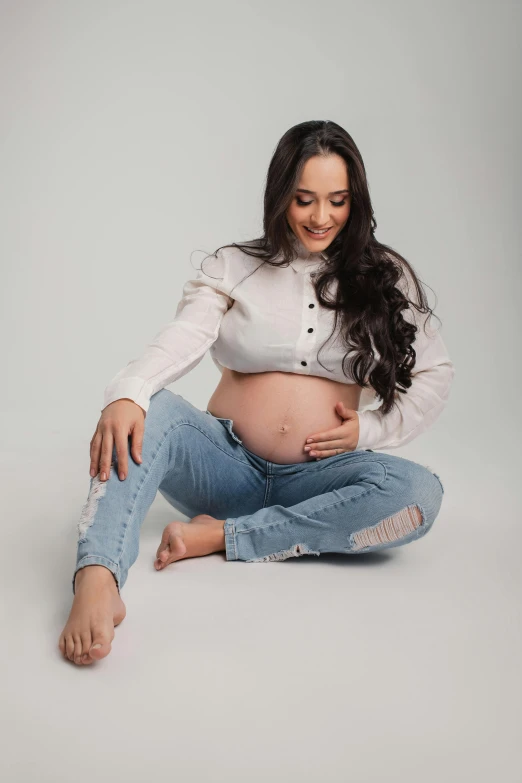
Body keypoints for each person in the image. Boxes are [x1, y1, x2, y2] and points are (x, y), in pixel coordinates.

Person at [58, 119, 455, 665]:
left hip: (318, 481)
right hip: (224, 468)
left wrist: (372, 429)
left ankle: (231, 538)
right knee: (154, 412)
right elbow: (186, 335)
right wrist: (131, 390)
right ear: (280, 197)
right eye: (304, 200)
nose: (321, 218)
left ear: (355, 200)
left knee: (419, 494)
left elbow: (435, 373)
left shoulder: (385, 278)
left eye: (337, 201)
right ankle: (98, 574)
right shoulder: (235, 266)